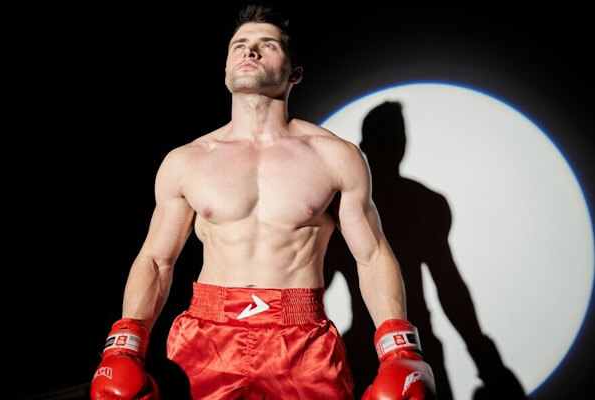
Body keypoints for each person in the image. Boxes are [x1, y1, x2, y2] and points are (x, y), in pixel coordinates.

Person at [90, 5, 435, 400]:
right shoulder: (186, 160)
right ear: (225, 71)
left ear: (295, 73)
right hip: (205, 341)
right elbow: (156, 259)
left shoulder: (335, 157)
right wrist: (125, 344)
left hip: (302, 343)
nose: (249, 52)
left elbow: (372, 256)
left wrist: (400, 350)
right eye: (240, 45)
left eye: (266, 45)